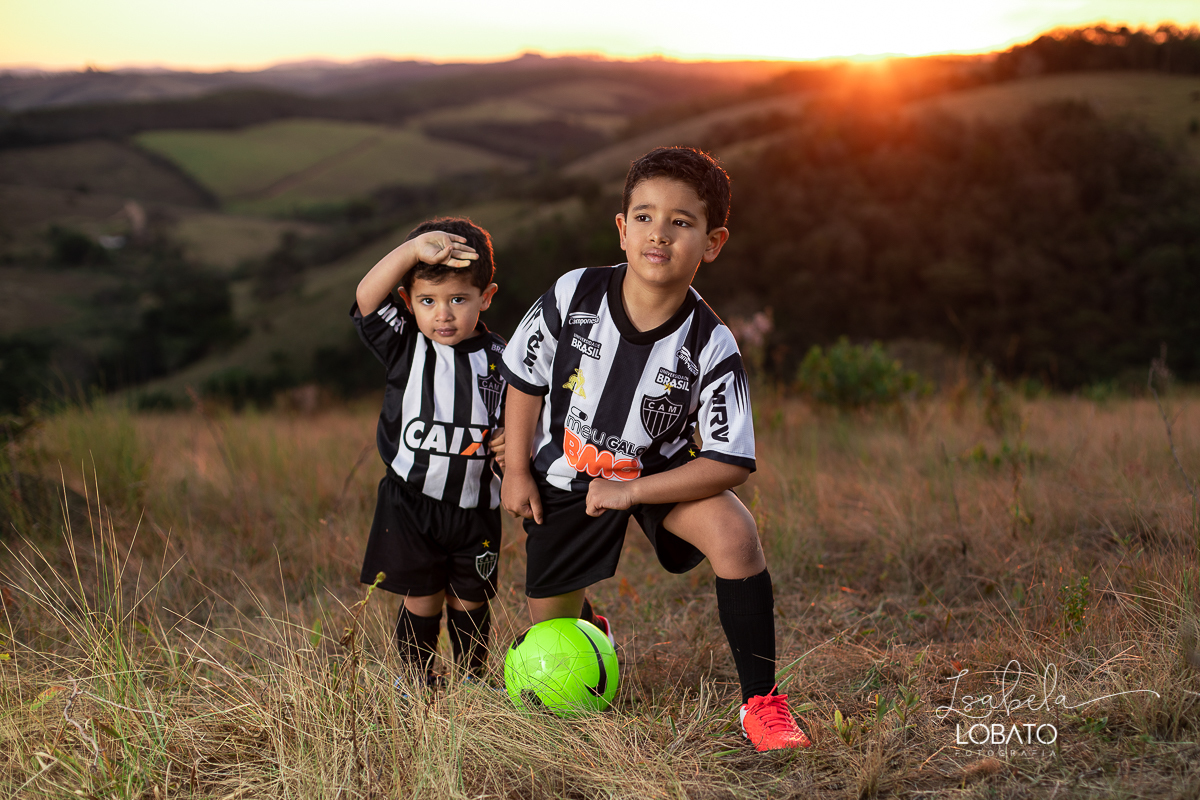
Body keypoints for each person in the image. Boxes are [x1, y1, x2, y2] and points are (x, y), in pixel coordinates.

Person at [498, 146, 811, 751]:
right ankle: (590, 627)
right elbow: (523, 378)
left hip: (657, 474)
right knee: (553, 632)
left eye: (681, 222)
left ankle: (762, 707)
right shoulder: (573, 295)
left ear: (713, 243)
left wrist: (633, 491)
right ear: (621, 229)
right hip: (569, 479)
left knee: (735, 533)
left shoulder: (711, 345)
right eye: (643, 216)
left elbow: (729, 461)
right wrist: (515, 470)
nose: (658, 234)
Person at [352, 217, 507, 685]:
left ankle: (472, 682)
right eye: (427, 301)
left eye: (458, 299)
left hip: (477, 506)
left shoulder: (505, 358)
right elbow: (365, 297)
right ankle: (416, 682)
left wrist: (509, 441)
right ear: (408, 303)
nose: (443, 314)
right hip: (410, 501)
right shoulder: (405, 343)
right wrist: (414, 250)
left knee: (470, 598)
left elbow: (524, 417)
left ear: (486, 297)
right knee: (422, 596)